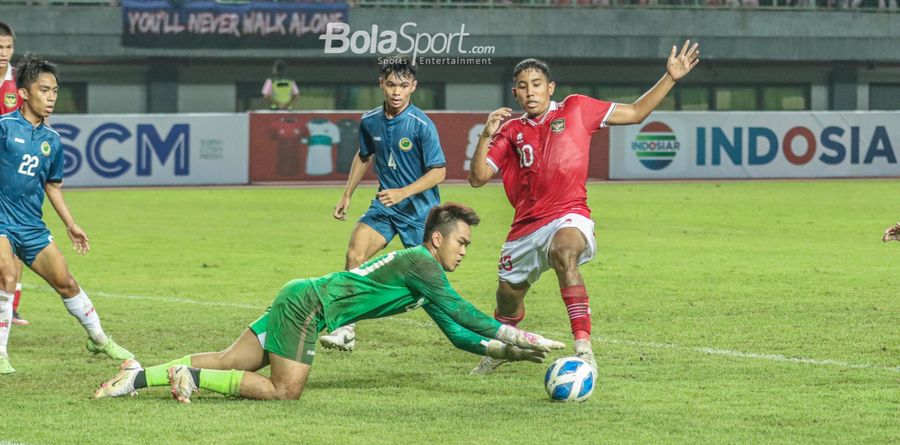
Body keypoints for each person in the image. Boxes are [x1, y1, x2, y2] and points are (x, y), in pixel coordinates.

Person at [93, 203, 564, 402]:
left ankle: (135, 378)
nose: (464, 250)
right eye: (461, 242)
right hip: (308, 308)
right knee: (284, 391)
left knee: (229, 360)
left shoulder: (424, 273)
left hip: (299, 294)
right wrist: (519, 333)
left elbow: (457, 332)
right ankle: (188, 377)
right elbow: (466, 313)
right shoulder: (423, 263)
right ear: (437, 239)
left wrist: (511, 353)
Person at [467, 40, 701, 375]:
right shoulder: (510, 131)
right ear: (515, 93)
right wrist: (486, 136)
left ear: (551, 88)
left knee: (565, 253)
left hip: (569, 212)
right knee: (507, 298)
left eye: (537, 85)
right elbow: (477, 178)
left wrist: (670, 77)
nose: (530, 92)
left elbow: (635, 113)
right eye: (522, 86)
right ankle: (505, 347)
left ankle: (583, 347)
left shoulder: (577, 108)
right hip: (525, 228)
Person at [0, 57, 134, 375]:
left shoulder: (53, 142)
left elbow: (52, 186)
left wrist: (70, 224)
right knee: (7, 275)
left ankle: (99, 339)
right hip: (2, 221)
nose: (51, 98)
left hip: (31, 226)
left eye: (55, 91)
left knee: (67, 284)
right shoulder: (4, 129)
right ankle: (1, 352)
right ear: (23, 94)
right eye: (43, 90)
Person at [321, 55, 446, 351]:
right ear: (381, 84)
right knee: (355, 255)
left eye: (403, 85)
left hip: (420, 214)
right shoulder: (369, 120)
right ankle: (346, 329)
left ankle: (470, 332)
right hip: (385, 208)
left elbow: (439, 171)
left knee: (431, 286)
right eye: (391, 85)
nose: (396, 92)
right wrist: (347, 194)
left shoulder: (421, 125)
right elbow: (364, 156)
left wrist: (403, 192)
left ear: (413, 86)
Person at [0, 22, 29, 327]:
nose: (4, 53)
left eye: (8, 47)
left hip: (13, 174)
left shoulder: (20, 80)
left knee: (16, 240)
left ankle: (12, 306)